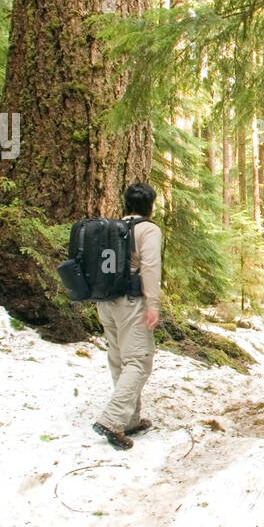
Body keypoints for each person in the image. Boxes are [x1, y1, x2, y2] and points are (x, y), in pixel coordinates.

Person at [92, 183, 162, 451]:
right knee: (139, 360)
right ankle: (112, 420)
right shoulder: (148, 230)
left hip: (105, 301)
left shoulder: (110, 228)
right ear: (150, 205)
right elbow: (151, 267)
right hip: (131, 301)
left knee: (119, 358)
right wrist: (152, 304)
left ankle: (130, 418)